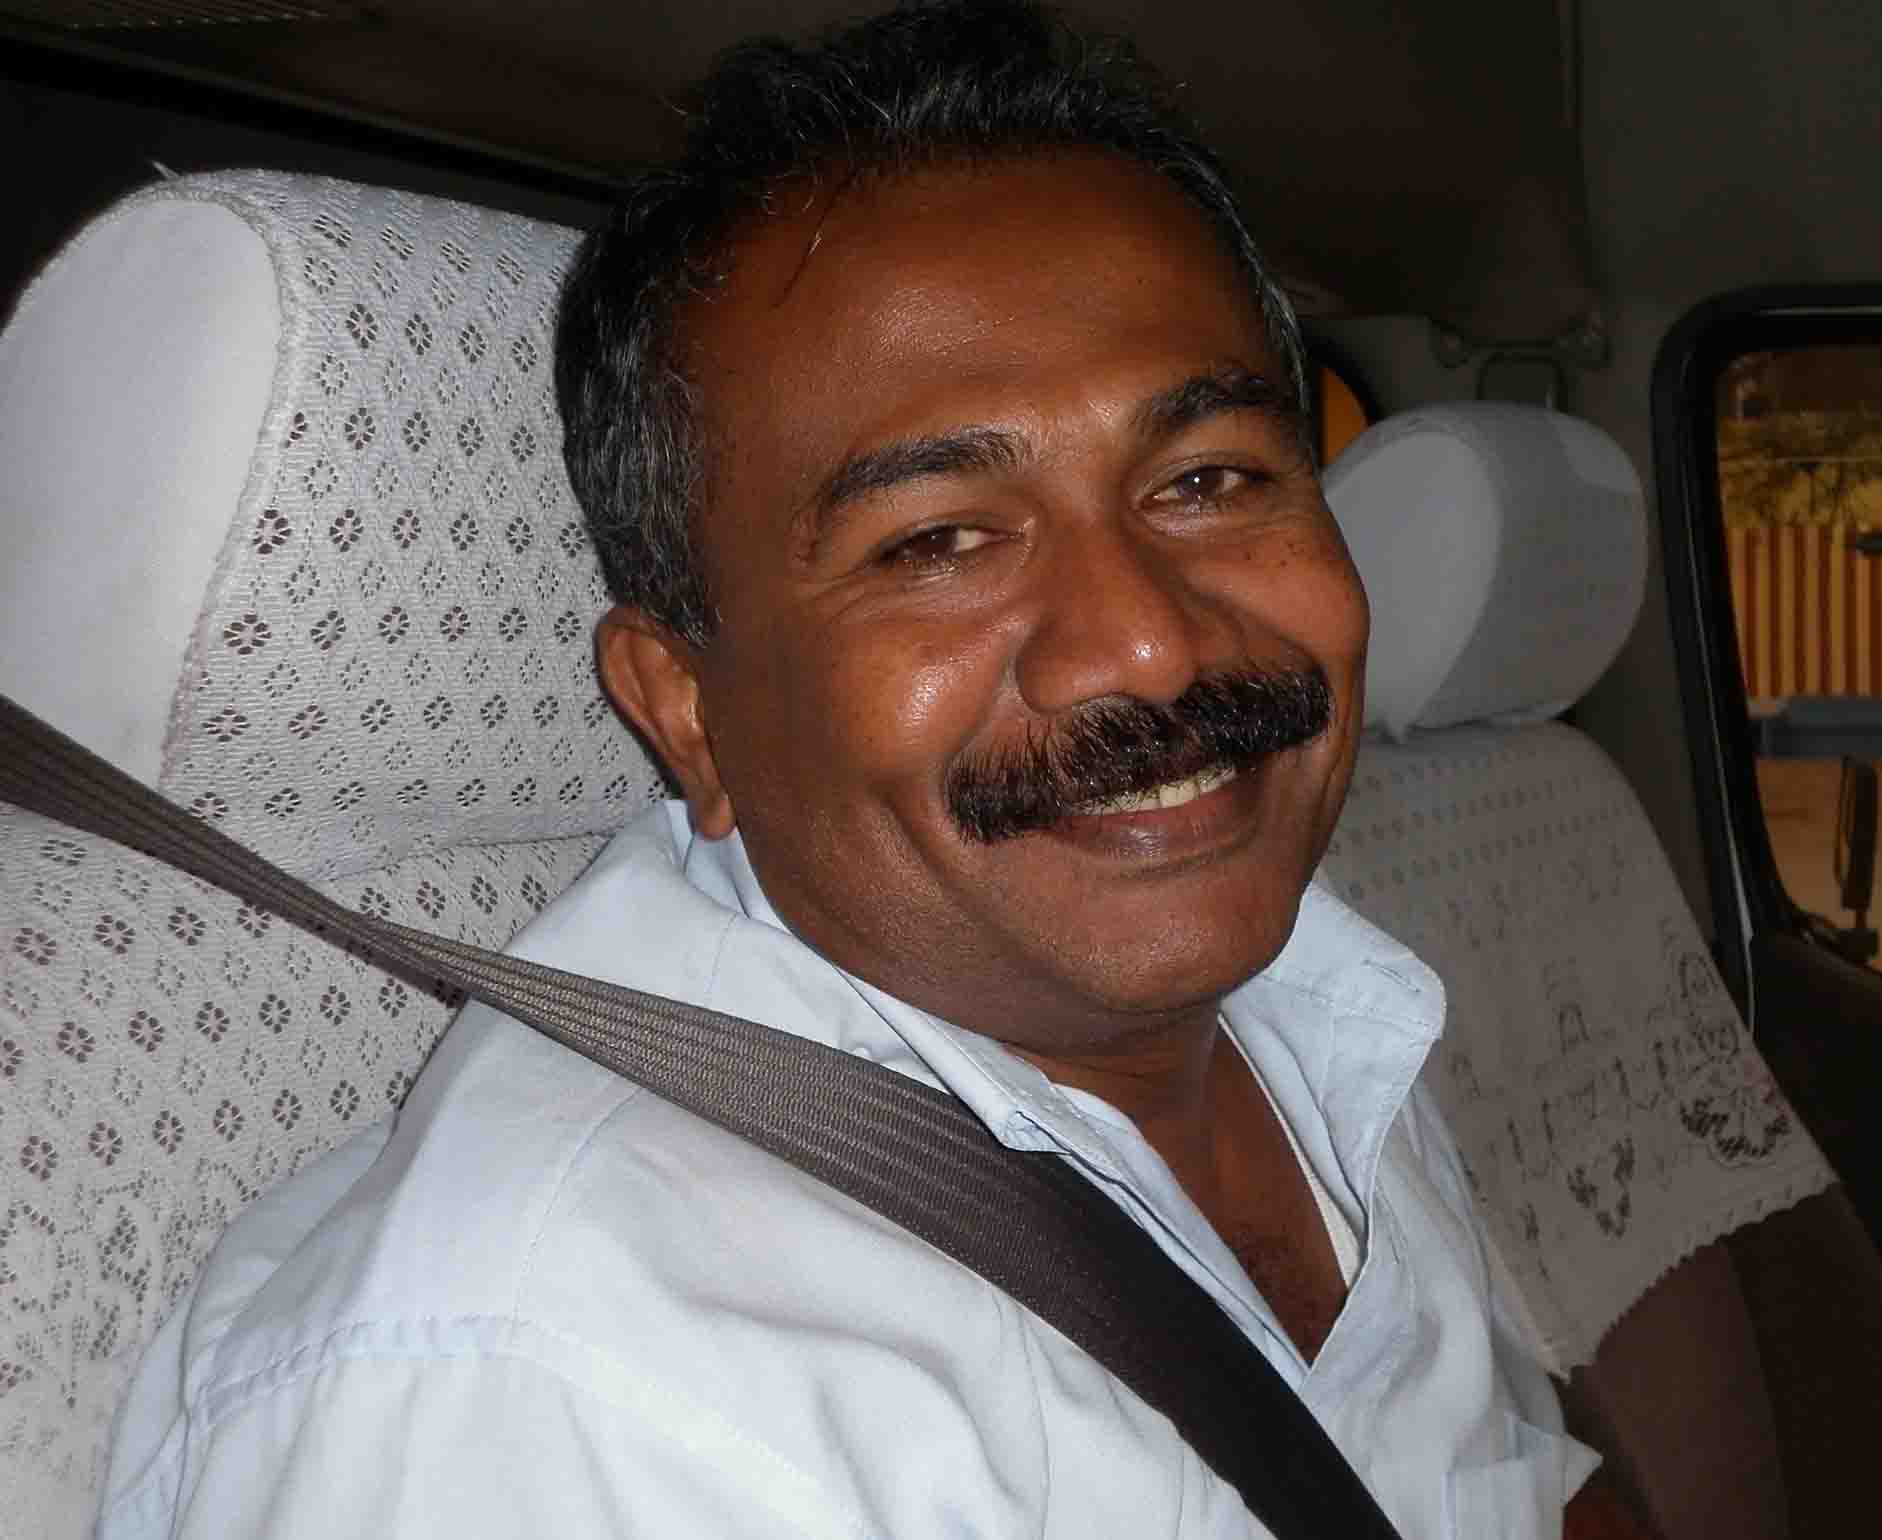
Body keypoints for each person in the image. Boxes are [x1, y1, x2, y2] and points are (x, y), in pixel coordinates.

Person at [95, 3, 1622, 1535]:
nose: (1149, 644)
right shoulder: (571, 1391)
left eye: (1207, 478)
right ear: (689, 712)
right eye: (938, 542)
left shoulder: (1309, 1008)